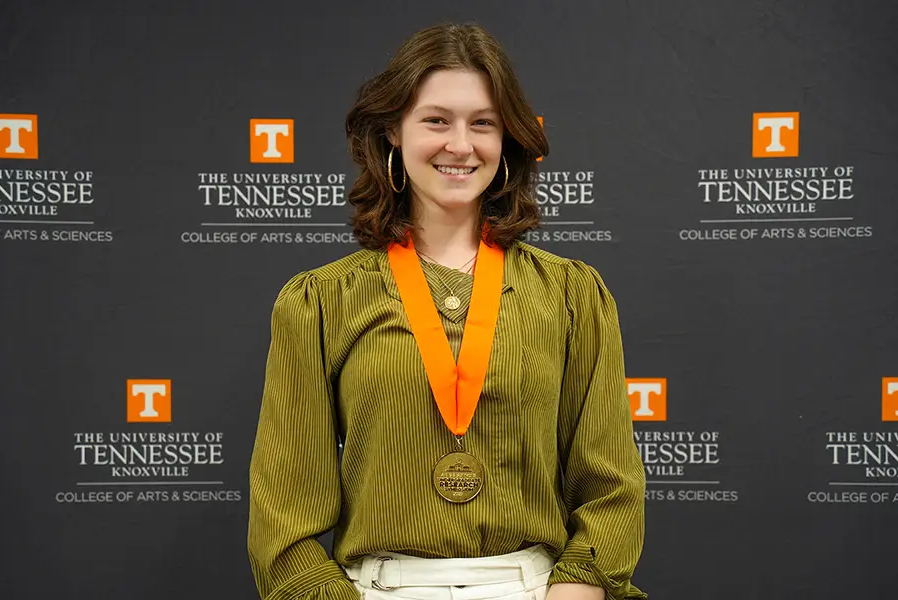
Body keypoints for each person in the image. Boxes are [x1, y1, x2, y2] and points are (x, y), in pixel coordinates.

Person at [248, 22, 647, 600]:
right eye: (437, 120)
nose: (460, 145)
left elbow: (610, 487)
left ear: (507, 138)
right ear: (392, 131)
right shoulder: (319, 303)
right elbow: (284, 521)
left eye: (483, 123)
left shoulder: (572, 295)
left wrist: (574, 592)